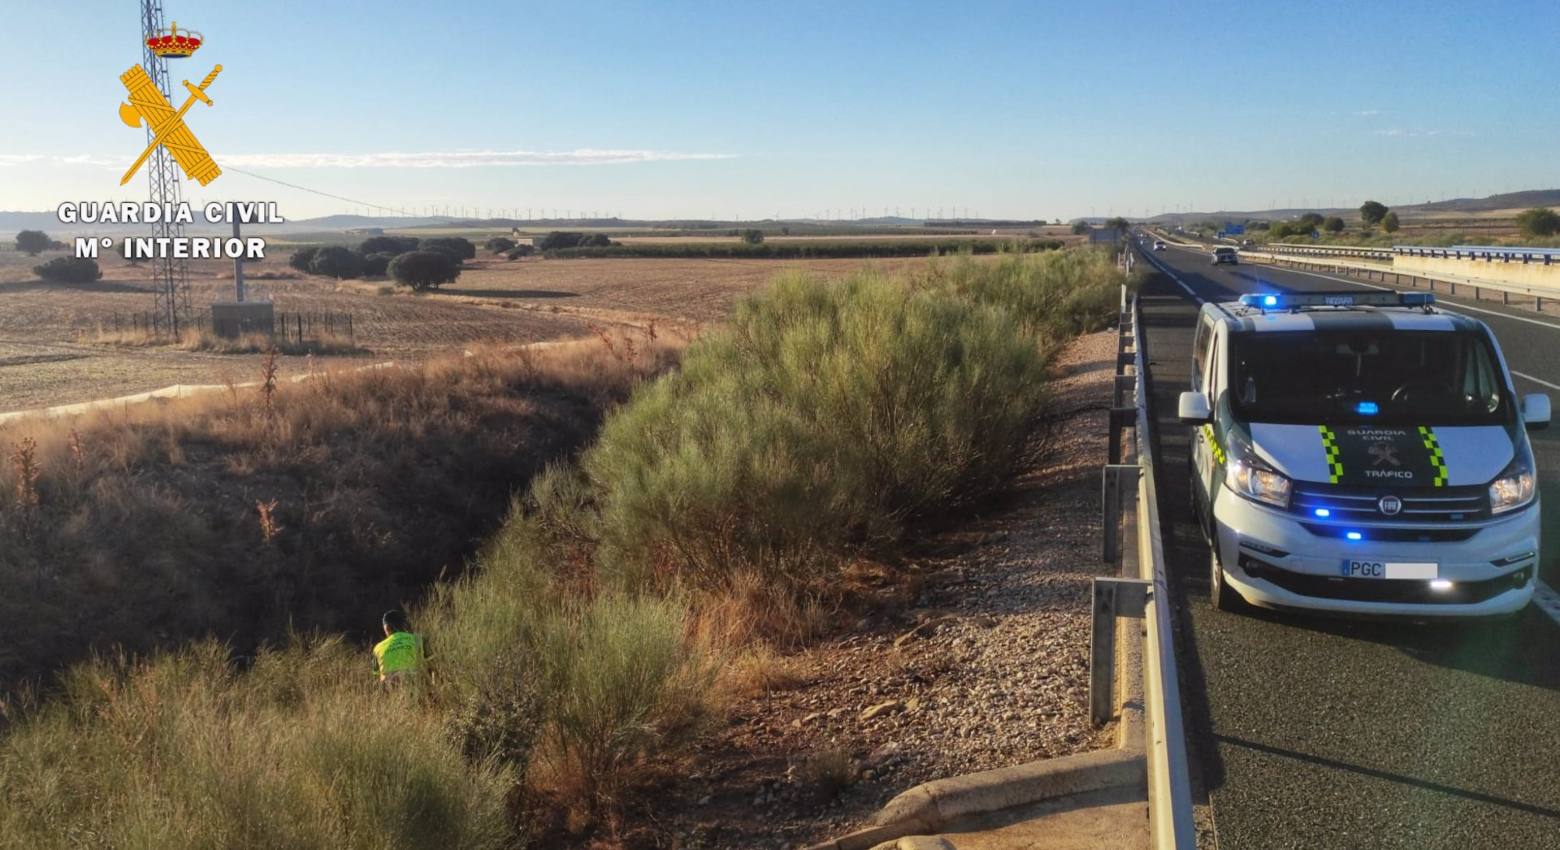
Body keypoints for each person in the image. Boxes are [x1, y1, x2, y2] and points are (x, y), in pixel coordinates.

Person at [372, 610, 426, 686]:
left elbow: (376, 677)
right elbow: (433, 667)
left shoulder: (377, 648)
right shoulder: (418, 639)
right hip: (414, 685)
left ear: (387, 628)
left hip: (389, 690)